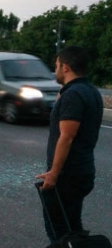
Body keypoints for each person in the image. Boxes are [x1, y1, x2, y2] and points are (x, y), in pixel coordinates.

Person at [35, 46, 103, 243]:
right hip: (82, 170)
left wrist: (53, 174)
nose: (54, 69)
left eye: (56, 65)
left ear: (65, 67)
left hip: (68, 176)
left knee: (59, 233)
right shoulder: (90, 91)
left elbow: (67, 137)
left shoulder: (73, 95)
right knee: (72, 228)